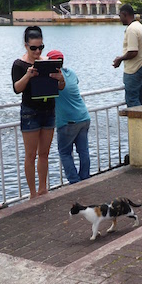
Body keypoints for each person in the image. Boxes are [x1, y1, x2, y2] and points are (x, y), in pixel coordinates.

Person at [11, 26, 65, 198]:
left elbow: (61, 87)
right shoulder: (19, 65)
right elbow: (17, 89)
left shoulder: (47, 62)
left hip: (48, 110)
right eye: (33, 48)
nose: (37, 51)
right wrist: (28, 75)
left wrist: (60, 79)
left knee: (44, 153)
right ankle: (32, 193)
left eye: (40, 47)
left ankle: (43, 189)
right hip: (30, 112)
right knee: (30, 155)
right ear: (26, 45)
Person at [48, 49, 91, 184]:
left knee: (64, 152)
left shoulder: (51, 79)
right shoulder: (71, 72)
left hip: (68, 120)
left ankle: (74, 182)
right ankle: (85, 178)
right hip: (84, 116)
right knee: (83, 150)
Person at [113, 4, 142, 107]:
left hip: (135, 68)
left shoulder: (131, 29)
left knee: (132, 99)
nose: (120, 19)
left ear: (125, 14)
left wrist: (120, 59)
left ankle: (138, 123)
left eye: (120, 16)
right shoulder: (139, 26)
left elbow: (133, 52)